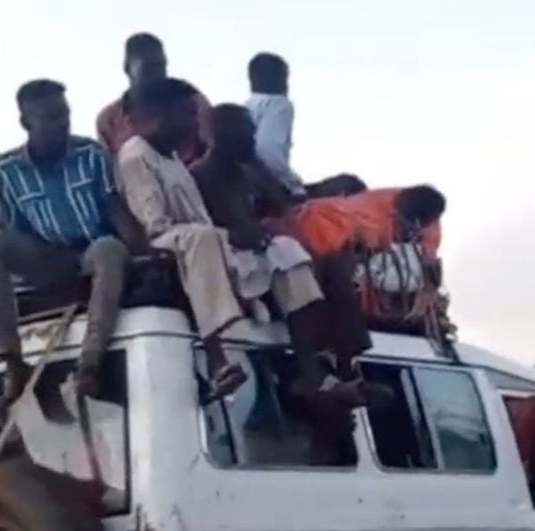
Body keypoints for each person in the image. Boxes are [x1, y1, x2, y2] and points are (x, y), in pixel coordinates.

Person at [115, 78, 328, 399]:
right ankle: (217, 358)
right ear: (161, 114)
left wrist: (247, 237)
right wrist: (229, 235)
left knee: (284, 248)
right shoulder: (136, 155)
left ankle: (309, 364)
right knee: (202, 239)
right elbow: (154, 226)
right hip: (170, 247)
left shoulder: (173, 158)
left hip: (207, 246)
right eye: (187, 114)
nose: (193, 124)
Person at [0, 80, 145, 401]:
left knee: (110, 250)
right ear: (26, 123)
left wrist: (142, 253)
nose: (62, 123)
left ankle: (89, 366)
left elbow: (114, 209)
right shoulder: (9, 173)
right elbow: (16, 230)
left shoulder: (92, 154)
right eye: (51, 117)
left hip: (92, 251)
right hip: (46, 256)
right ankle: (13, 362)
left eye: (64, 114)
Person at [191, 104, 369, 381]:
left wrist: (258, 169)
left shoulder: (247, 173)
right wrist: (237, 233)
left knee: (312, 256)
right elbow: (196, 226)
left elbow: (283, 203)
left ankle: (335, 359)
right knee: (296, 257)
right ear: (221, 137)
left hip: (261, 253)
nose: (251, 141)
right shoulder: (199, 175)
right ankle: (315, 363)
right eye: (245, 136)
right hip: (223, 258)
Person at [244, 52, 363, 200]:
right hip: (276, 189)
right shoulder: (278, 104)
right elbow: (269, 152)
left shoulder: (248, 107)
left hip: (255, 187)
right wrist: (295, 187)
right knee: (349, 184)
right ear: (281, 79)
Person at [97, 33, 213, 164]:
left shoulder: (192, 101)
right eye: (149, 68)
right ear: (127, 68)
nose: (158, 74)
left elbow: (214, 150)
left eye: (161, 66)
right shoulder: (110, 120)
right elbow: (110, 169)